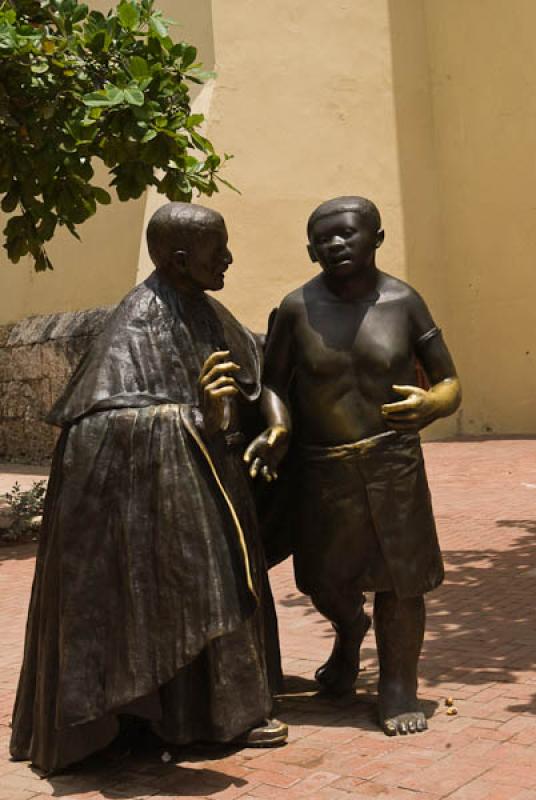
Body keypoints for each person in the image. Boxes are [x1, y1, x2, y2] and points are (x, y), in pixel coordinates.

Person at [10, 202, 287, 775]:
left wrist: (276, 424)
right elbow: (94, 430)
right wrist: (193, 419)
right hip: (164, 499)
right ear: (182, 260)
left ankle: (220, 716)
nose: (230, 259)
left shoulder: (207, 310)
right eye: (219, 251)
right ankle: (172, 721)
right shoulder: (136, 321)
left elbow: (255, 380)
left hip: (215, 485)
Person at [245, 196, 461, 736]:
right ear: (310, 249)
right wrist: (277, 425)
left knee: (401, 583)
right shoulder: (296, 309)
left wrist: (434, 404)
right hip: (323, 470)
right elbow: (270, 384)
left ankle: (397, 688)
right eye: (323, 239)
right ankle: (348, 633)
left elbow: (450, 381)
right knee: (324, 581)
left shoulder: (404, 301)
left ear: (377, 238)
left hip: (393, 464)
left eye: (346, 234)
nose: (335, 245)